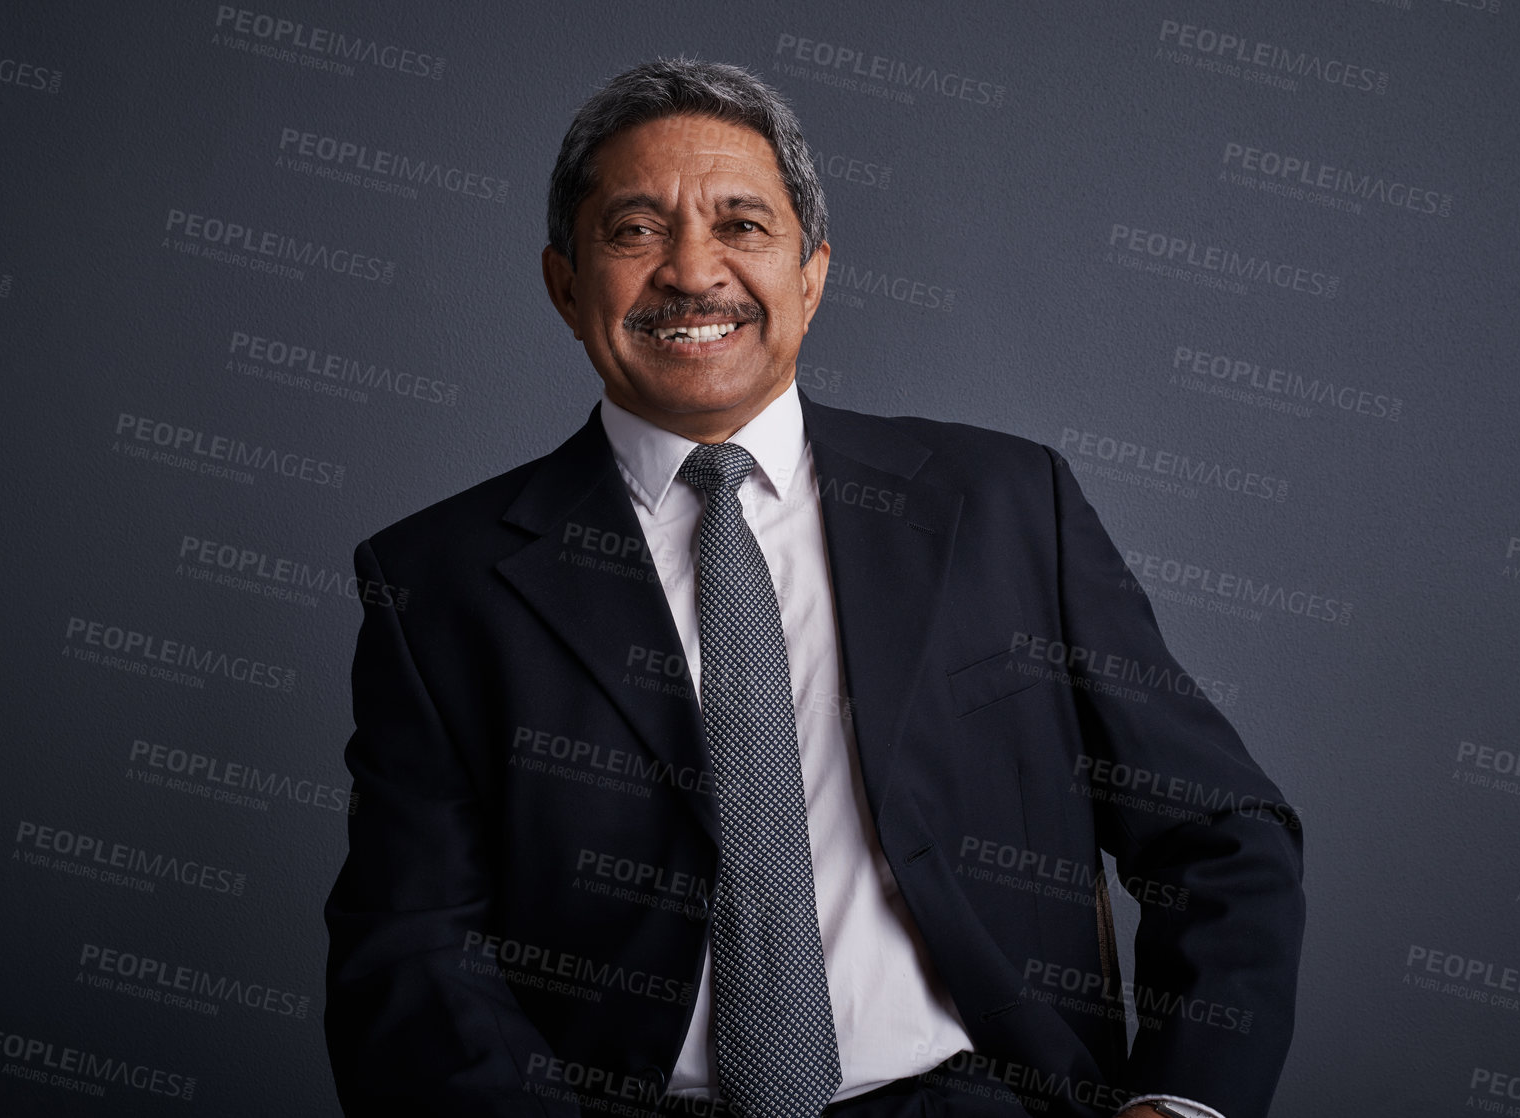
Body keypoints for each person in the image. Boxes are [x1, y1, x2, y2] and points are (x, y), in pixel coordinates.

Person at [324, 58, 1304, 1118]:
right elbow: (412, 953)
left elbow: (1222, 832)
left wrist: (1180, 1103)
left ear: (812, 274)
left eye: (741, 226)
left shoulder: (1005, 506)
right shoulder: (439, 581)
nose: (692, 274)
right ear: (565, 284)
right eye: (635, 230)